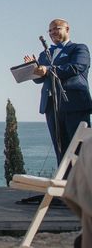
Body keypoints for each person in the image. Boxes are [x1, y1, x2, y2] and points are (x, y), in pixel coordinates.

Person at [25, 19, 92, 163]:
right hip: (51, 106)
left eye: (56, 28)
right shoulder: (45, 54)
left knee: (81, 149)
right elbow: (40, 79)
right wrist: (32, 69)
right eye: (49, 30)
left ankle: (84, 183)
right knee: (60, 150)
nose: (52, 32)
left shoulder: (79, 48)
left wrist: (47, 69)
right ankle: (63, 184)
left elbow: (76, 68)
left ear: (67, 29)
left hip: (74, 104)